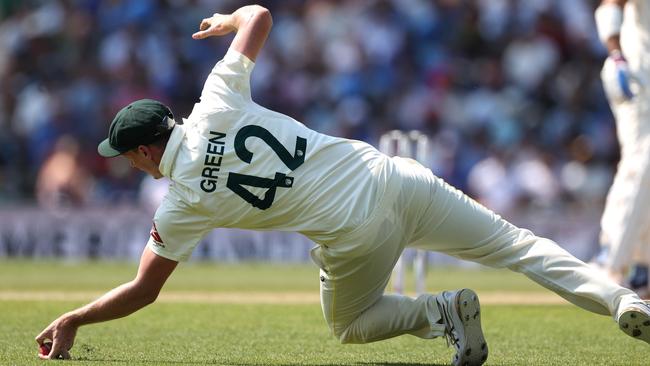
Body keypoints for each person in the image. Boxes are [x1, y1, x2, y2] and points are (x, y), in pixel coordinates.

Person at [36, 5, 650, 366]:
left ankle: (438, 312)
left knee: (349, 325)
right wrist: (227, 19)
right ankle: (622, 299)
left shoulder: (182, 202)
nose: (129, 164)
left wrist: (77, 319)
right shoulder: (216, 100)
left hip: (355, 237)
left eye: (128, 156)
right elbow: (260, 14)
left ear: (147, 150)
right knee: (517, 245)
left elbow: (145, 289)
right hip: (394, 175)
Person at [594, 0, 650, 298]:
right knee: (643, 160)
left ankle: (642, 269)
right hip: (636, 77)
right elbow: (609, 5)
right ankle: (609, 260)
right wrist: (616, 55)